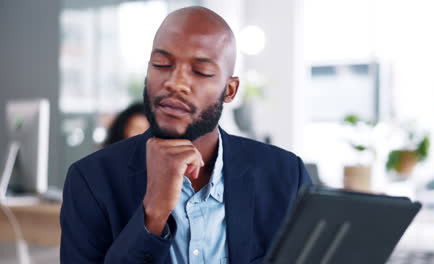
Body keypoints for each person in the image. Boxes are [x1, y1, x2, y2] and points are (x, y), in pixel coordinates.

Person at [60, 6, 312, 264]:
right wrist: (153, 214)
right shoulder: (91, 180)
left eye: (200, 71)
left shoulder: (286, 175)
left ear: (230, 90)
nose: (175, 82)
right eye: (162, 64)